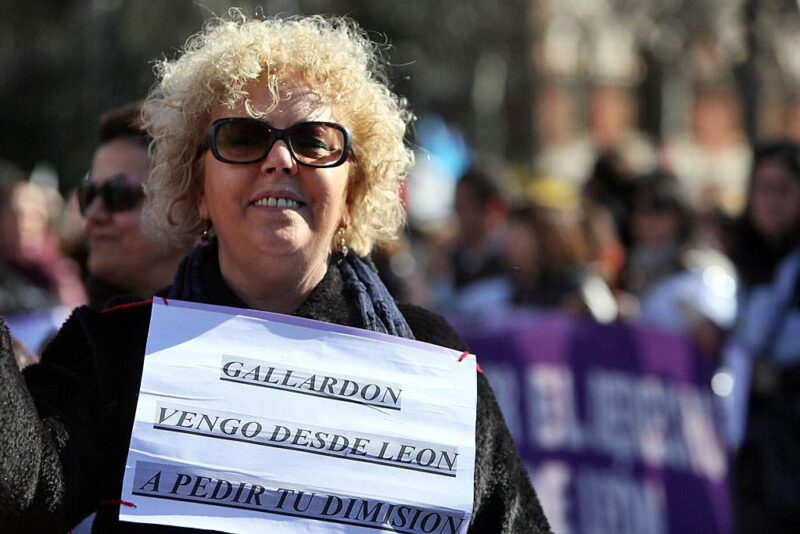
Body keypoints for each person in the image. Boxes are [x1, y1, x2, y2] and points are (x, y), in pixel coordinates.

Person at [0, 13, 550, 533]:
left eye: (314, 142)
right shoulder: (114, 349)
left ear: (353, 192)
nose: (281, 160)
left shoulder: (430, 360)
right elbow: (21, 497)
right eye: (242, 138)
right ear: (199, 191)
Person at [723, 140, 800, 533]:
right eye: (761, 188)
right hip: (756, 457)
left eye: (783, 189)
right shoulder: (747, 262)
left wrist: (783, 376)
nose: (770, 201)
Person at [80, 103, 191, 308]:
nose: (93, 214)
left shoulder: (239, 330)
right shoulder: (77, 336)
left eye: (118, 194)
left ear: (188, 205)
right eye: (88, 195)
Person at [620, 169, 736, 359]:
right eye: (641, 212)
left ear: (681, 217)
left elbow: (713, 338)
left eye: (659, 212)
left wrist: (693, 315)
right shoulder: (638, 267)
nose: (648, 223)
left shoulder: (705, 268)